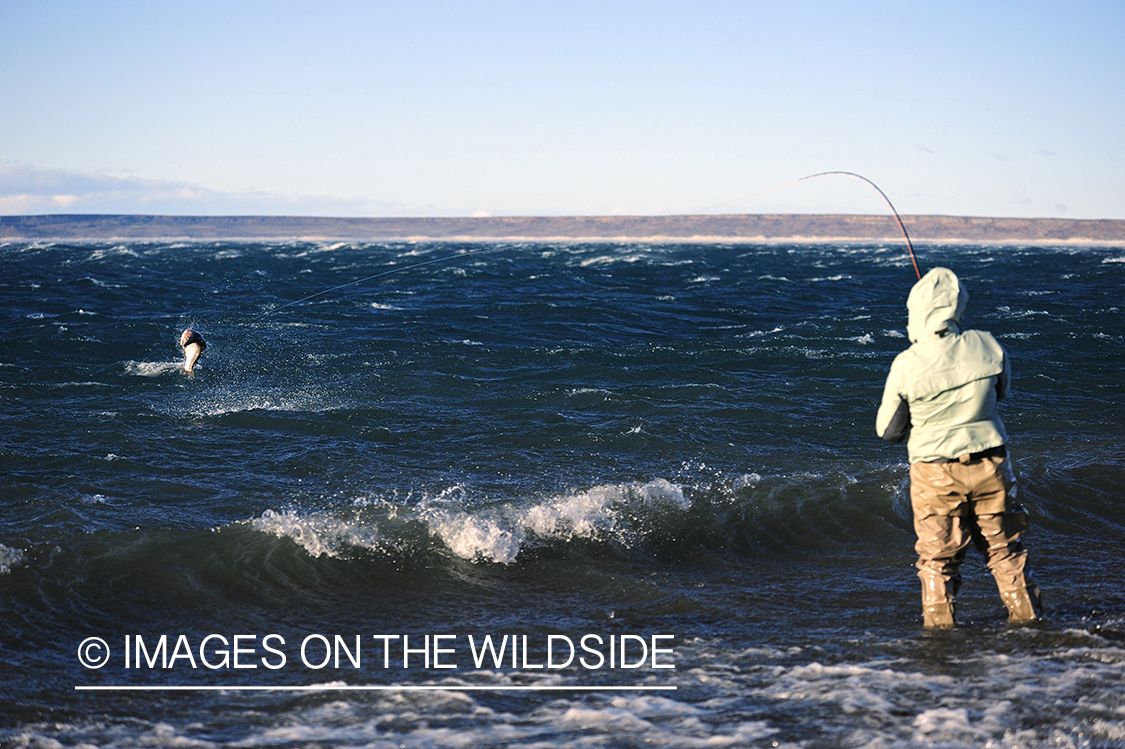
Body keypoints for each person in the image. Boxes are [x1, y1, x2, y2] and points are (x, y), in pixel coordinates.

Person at [876, 267, 1041, 628]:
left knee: (938, 561)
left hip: (935, 473)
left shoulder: (907, 363)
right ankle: (1031, 627)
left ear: (915, 311)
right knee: (1005, 551)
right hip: (991, 465)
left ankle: (940, 641)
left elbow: (888, 430)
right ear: (957, 305)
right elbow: (1001, 392)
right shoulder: (987, 344)